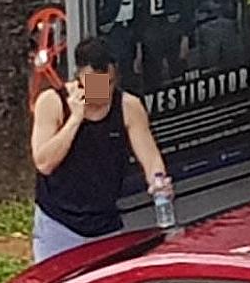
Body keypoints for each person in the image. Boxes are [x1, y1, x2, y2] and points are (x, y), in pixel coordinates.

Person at [31, 36, 172, 262]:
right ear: (80, 78)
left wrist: (158, 182)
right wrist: (75, 119)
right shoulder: (52, 102)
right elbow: (44, 163)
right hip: (59, 221)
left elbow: (150, 157)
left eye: (109, 83)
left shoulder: (127, 107)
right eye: (96, 84)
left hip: (104, 221)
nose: (104, 92)